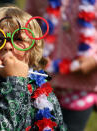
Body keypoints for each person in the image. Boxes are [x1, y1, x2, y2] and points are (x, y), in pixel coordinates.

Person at [25, 0, 97, 131]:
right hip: (44, 80)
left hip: (80, 84)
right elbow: (29, 22)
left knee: (71, 127)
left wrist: (94, 60)